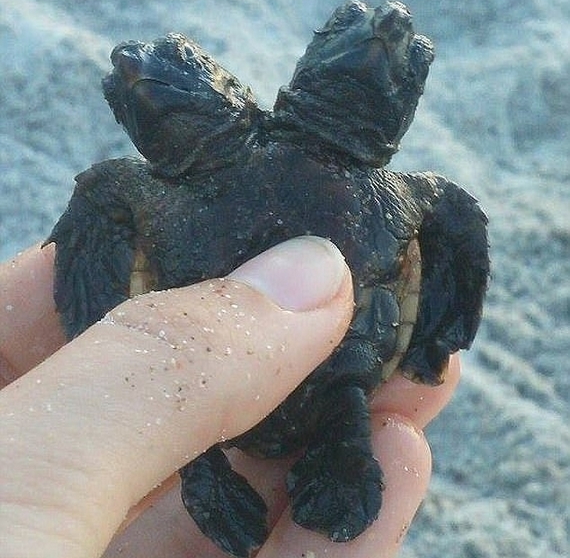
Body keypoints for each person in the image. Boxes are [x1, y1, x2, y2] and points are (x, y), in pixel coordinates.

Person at [0, 236, 460, 558]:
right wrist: (429, 345)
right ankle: (210, 474)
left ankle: (216, 474)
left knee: (338, 403)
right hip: (336, 367)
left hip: (221, 386)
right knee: (348, 396)